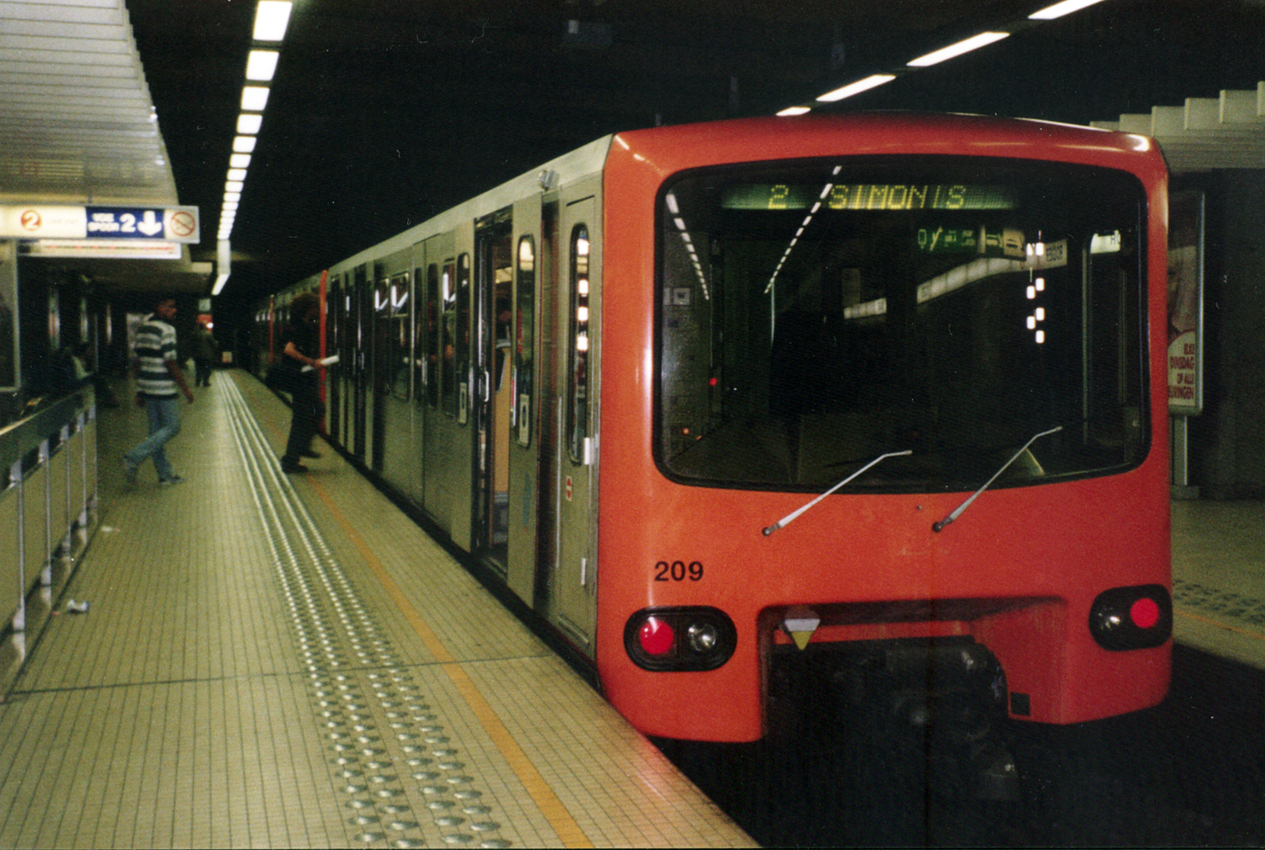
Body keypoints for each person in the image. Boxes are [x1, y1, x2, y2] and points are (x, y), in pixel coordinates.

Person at [122, 297, 194, 486]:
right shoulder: (167, 330)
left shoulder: (143, 328)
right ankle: (133, 457)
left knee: (156, 433)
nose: (174, 310)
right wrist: (185, 388)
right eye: (170, 306)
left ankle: (165, 475)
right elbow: (171, 361)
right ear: (159, 307)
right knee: (173, 427)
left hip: (147, 387)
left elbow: (136, 362)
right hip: (163, 388)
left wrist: (139, 390)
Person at [278, 292, 325, 473]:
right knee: (312, 412)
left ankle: (294, 455)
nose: (317, 310)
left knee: (304, 416)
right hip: (299, 377)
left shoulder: (294, 325)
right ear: (308, 308)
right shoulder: (299, 326)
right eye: (315, 307)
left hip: (298, 377)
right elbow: (289, 350)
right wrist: (311, 362)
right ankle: (293, 457)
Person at [193, 321, 218, 387]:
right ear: (204, 326)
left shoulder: (196, 334)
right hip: (207, 356)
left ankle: (197, 382)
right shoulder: (208, 334)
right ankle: (205, 382)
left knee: (198, 369)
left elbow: (193, 345)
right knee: (207, 369)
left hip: (197, 355)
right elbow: (214, 344)